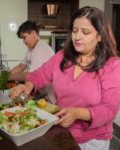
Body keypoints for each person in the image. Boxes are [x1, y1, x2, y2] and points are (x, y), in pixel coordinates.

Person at [10, 6, 120, 150]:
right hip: (61, 132)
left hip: (92, 141)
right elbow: (39, 75)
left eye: (85, 32)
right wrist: (28, 85)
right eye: (75, 31)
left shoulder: (112, 65)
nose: (77, 37)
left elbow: (109, 109)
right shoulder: (62, 57)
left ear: (99, 36)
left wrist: (78, 113)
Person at [9, 20, 56, 103]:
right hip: (39, 93)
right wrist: (8, 74)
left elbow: (31, 75)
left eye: (24, 37)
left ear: (33, 34)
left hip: (47, 97)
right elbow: (21, 66)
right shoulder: (31, 50)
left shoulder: (41, 50)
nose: (23, 41)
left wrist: (10, 77)